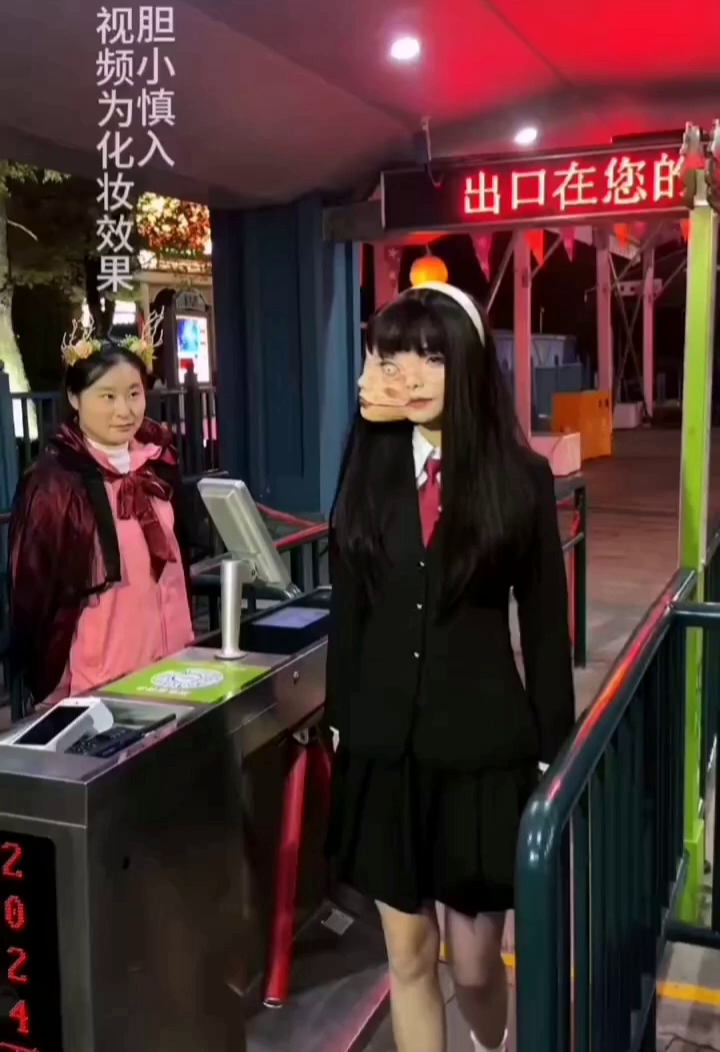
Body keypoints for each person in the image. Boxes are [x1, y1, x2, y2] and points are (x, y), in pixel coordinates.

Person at [325, 283, 575, 1052]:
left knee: (472, 966)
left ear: (466, 364)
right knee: (408, 957)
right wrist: (341, 721)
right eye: (396, 358)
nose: (414, 375)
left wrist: (556, 756)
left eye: (433, 356)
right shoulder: (369, 466)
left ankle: (488, 1042)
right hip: (384, 753)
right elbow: (350, 607)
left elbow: (544, 627)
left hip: (480, 755)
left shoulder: (519, 478)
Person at [8, 316, 194, 708]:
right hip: (98, 684)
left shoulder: (158, 464)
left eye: (134, 393)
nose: (124, 410)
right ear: (75, 398)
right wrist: (53, 685)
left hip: (173, 669)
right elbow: (34, 596)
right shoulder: (54, 482)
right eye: (107, 396)